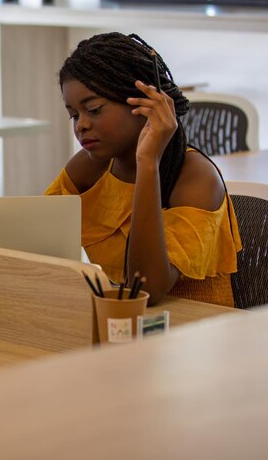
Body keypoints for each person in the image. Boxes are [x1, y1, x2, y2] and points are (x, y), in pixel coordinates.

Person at [44, 32, 241, 307]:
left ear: (145, 103)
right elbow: (38, 235)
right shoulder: (90, 168)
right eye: (74, 114)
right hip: (120, 324)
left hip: (191, 335)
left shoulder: (196, 177)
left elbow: (146, 290)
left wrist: (148, 163)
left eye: (95, 109)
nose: (81, 125)